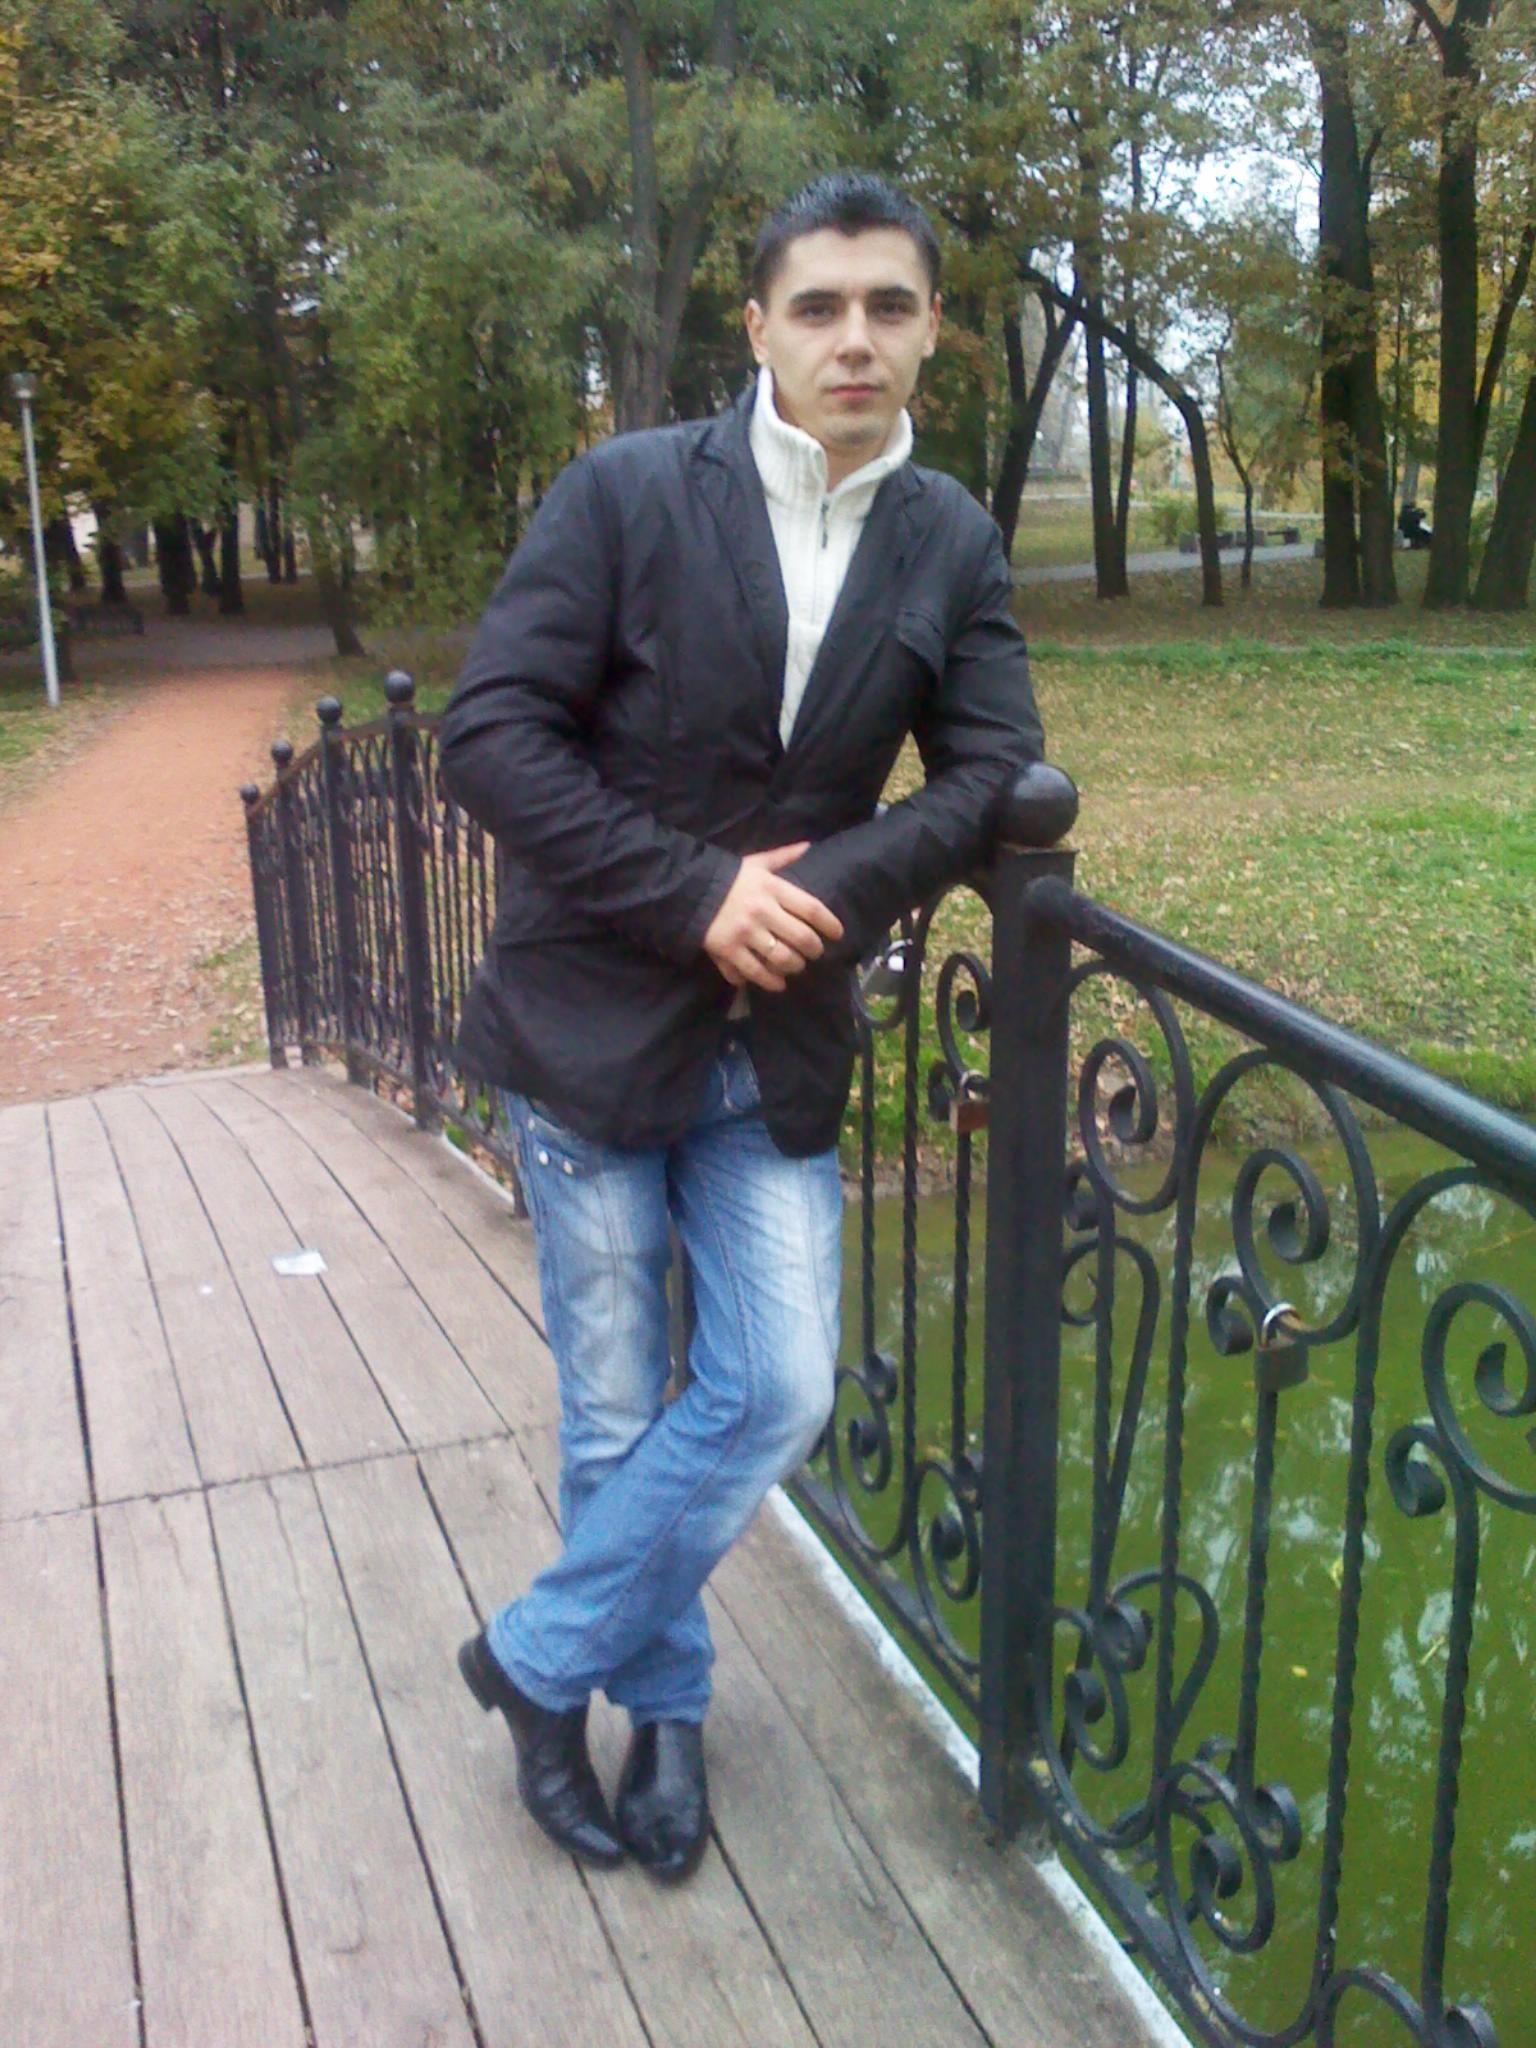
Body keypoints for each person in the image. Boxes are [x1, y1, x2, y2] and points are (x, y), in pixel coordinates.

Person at [439, 171, 1043, 1883]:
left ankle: (537, 1661)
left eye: (890, 307)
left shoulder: (948, 538)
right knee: (618, 1406)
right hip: (591, 1024)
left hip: (772, 1046)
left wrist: (822, 892)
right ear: (760, 326)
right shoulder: (629, 493)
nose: (857, 339)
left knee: (774, 1388)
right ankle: (668, 1711)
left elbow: (996, 771)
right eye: (821, 306)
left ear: (932, 329)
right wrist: (698, 891)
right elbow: (490, 736)